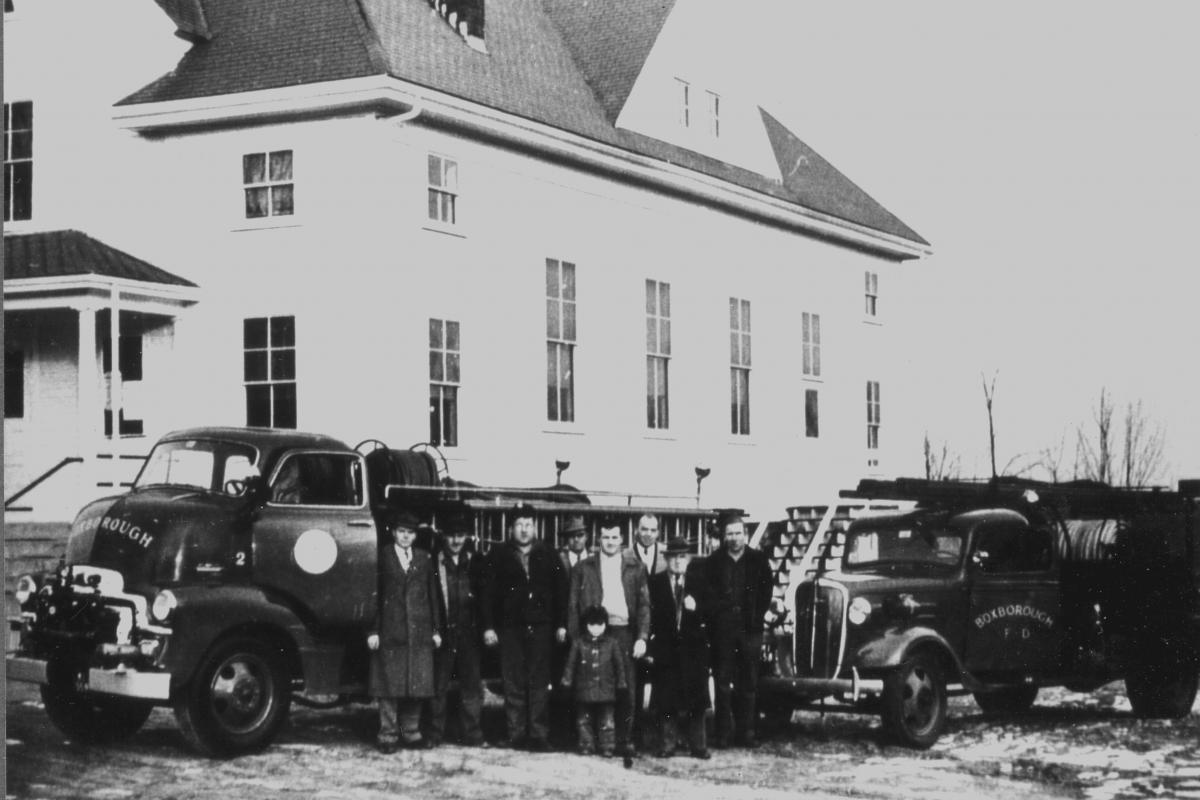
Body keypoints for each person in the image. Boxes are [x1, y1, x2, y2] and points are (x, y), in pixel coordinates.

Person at [481, 502, 568, 751]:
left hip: (541, 628)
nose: (524, 530)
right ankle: (515, 734)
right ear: (511, 528)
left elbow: (561, 592)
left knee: (539, 681)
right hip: (510, 629)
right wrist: (488, 626)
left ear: (535, 527)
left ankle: (538, 734)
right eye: (519, 524)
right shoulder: (498, 555)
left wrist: (561, 624)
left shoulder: (549, 554)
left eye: (528, 524)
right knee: (513, 681)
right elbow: (487, 594)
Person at [567, 515, 650, 757]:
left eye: (615, 537)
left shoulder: (636, 568)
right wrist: (575, 639)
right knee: (591, 687)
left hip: (623, 632)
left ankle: (624, 740)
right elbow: (572, 605)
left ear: (622, 539)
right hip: (593, 633)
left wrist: (642, 637)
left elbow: (645, 605)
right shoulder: (583, 568)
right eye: (606, 537)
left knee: (626, 687)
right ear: (598, 538)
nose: (610, 541)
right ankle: (589, 741)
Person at [367, 509, 444, 753]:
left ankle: (411, 733)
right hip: (392, 631)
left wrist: (435, 630)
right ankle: (388, 735)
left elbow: (432, 595)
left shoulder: (424, 558)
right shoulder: (383, 556)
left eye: (410, 533)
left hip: (419, 633)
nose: (406, 537)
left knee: (416, 686)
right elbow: (374, 596)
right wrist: (373, 630)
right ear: (393, 532)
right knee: (389, 686)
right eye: (401, 532)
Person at [702, 507, 774, 748]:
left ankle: (748, 732)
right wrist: (717, 619)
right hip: (722, 632)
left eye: (737, 533)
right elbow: (708, 596)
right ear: (724, 536)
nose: (733, 538)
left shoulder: (758, 560)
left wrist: (756, 618)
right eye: (729, 534)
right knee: (722, 684)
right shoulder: (713, 562)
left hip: (749, 631)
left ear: (745, 533)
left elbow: (766, 592)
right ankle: (723, 733)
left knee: (748, 684)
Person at [427, 507, 486, 747]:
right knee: (437, 687)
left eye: (460, 535)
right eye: (451, 535)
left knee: (471, 687)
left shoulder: (475, 562)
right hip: (444, 633)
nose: (456, 540)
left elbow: (483, 598)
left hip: (468, 634)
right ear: (443, 536)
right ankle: (433, 734)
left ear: (467, 537)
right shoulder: (434, 562)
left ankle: (472, 734)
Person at [648, 536, 711, 759]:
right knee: (667, 698)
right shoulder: (655, 583)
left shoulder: (698, 581)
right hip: (666, 648)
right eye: (673, 557)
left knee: (697, 700)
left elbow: (711, 612)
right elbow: (649, 615)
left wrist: (697, 607)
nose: (677, 562)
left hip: (693, 650)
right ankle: (667, 744)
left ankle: (699, 745)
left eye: (682, 557)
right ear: (666, 559)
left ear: (688, 559)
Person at [560, 604, 627, 757]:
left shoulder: (612, 643)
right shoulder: (579, 643)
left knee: (607, 721)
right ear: (586, 625)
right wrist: (566, 681)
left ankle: (607, 746)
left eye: (600, 624)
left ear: (605, 625)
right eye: (592, 624)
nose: (596, 628)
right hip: (584, 688)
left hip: (606, 688)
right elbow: (570, 664)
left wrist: (621, 684)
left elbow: (619, 666)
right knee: (583, 720)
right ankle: (586, 744)